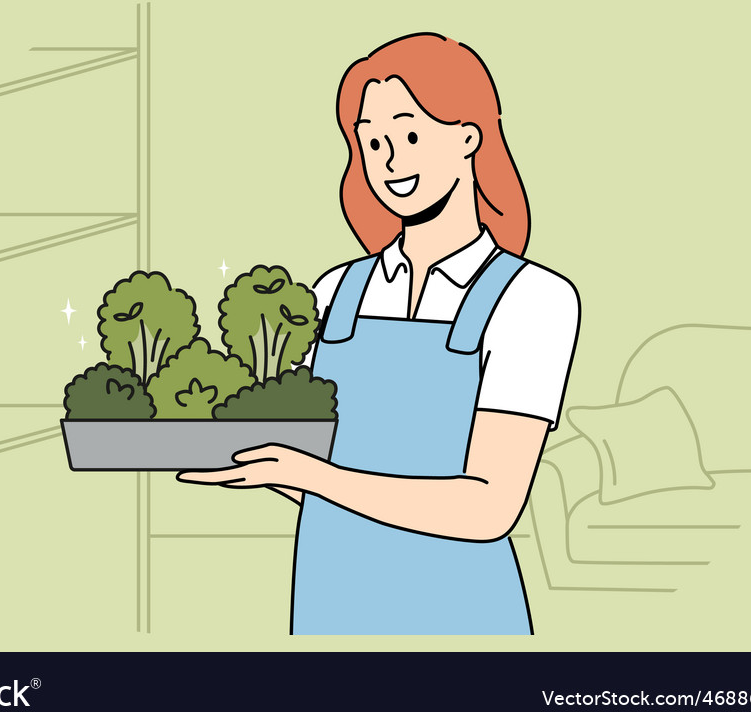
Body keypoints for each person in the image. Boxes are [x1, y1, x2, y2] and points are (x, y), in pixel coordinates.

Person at [178, 33, 580, 635]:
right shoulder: (331, 292)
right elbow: (320, 477)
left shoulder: (534, 300)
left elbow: (491, 505)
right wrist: (257, 462)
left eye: (411, 134)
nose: (389, 160)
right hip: (330, 603)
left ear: (469, 136)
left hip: (461, 613)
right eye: (371, 140)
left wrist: (311, 475)